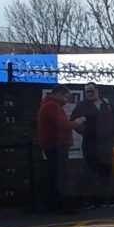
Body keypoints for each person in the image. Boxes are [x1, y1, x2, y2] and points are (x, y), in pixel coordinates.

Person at [37, 85, 85, 213]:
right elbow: (63, 124)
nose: (67, 100)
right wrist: (77, 122)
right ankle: (61, 206)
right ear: (58, 94)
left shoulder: (49, 105)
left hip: (53, 145)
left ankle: (53, 205)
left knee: (54, 175)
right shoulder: (52, 106)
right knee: (60, 176)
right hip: (56, 145)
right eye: (65, 96)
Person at [71, 83, 114, 208]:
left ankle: (104, 199)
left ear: (97, 90)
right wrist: (83, 131)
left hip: (106, 143)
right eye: (87, 92)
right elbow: (74, 121)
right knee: (90, 171)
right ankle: (89, 200)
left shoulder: (107, 104)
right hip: (90, 142)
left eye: (91, 91)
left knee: (106, 170)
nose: (89, 94)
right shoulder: (82, 106)